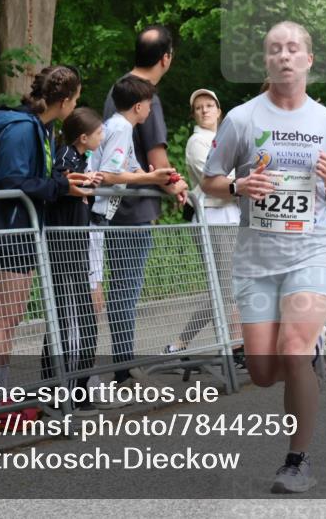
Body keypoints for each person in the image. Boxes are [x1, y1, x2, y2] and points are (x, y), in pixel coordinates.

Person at [202, 21, 326, 493]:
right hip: (257, 257)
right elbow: (209, 180)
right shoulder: (242, 119)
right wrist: (237, 186)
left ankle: (296, 460)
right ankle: (304, 364)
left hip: (314, 248)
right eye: (275, 50)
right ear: (266, 61)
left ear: (309, 60)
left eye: (293, 49)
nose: (284, 56)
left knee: (293, 349)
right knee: (266, 372)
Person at [0, 65, 90, 424]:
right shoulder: (24, 129)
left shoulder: (41, 127)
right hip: (9, 229)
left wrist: (62, 179)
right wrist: (60, 188)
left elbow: (36, 176)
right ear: (65, 100)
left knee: (9, 317)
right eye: (77, 98)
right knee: (3, 317)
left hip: (23, 229)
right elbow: (12, 178)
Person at [91, 74, 187, 405]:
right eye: (149, 105)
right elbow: (108, 174)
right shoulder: (120, 128)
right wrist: (149, 176)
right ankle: (89, 376)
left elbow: (131, 167)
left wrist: (168, 179)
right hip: (98, 216)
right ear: (138, 106)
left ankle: (116, 370)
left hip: (102, 216)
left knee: (101, 290)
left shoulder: (119, 127)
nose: (150, 111)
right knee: (95, 290)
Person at [164, 89, 244, 363]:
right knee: (224, 287)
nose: (205, 111)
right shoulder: (197, 142)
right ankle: (231, 347)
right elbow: (219, 179)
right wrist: (245, 183)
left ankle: (184, 344)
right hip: (213, 218)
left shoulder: (226, 138)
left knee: (227, 286)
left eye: (210, 105)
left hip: (233, 217)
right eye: (199, 108)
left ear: (219, 110)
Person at [42, 106, 104, 416]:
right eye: (99, 133)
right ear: (83, 137)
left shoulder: (80, 159)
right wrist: (78, 186)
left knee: (85, 320)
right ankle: (55, 392)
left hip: (78, 246)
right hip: (63, 248)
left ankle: (78, 392)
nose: (102, 137)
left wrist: (91, 185)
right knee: (64, 320)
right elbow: (59, 186)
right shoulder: (64, 158)